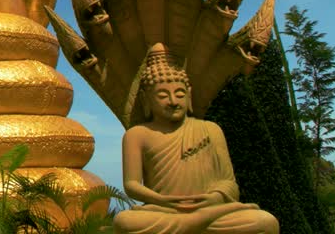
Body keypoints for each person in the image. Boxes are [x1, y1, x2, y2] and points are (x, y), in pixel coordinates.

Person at [114, 44, 279, 234]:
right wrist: (162, 200)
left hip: (212, 211)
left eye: (180, 94)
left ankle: (194, 223)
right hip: (165, 212)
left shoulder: (210, 129)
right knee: (125, 222)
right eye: (162, 95)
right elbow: (132, 185)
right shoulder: (137, 134)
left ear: (189, 95)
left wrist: (215, 198)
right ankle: (195, 224)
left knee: (265, 222)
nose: (173, 101)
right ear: (146, 99)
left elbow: (229, 183)